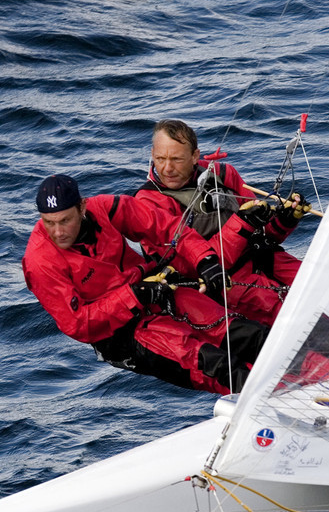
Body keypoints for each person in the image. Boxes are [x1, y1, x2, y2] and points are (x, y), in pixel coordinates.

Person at [20, 173, 267, 394]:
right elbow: (78, 325)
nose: (58, 232)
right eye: (48, 222)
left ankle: (305, 373)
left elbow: (167, 228)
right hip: (121, 334)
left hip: (155, 291)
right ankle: (271, 405)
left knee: (245, 333)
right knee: (214, 365)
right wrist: (134, 295)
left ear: (82, 207)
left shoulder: (104, 208)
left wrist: (205, 260)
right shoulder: (40, 261)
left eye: (65, 221)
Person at [134, 119, 307, 327]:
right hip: (219, 281)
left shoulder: (224, 175)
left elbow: (264, 234)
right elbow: (186, 266)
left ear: (195, 156)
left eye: (177, 159)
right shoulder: (147, 203)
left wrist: (284, 220)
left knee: (319, 285)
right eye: (160, 158)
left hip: (262, 257)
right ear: (152, 154)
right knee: (291, 316)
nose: (167, 168)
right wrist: (243, 222)